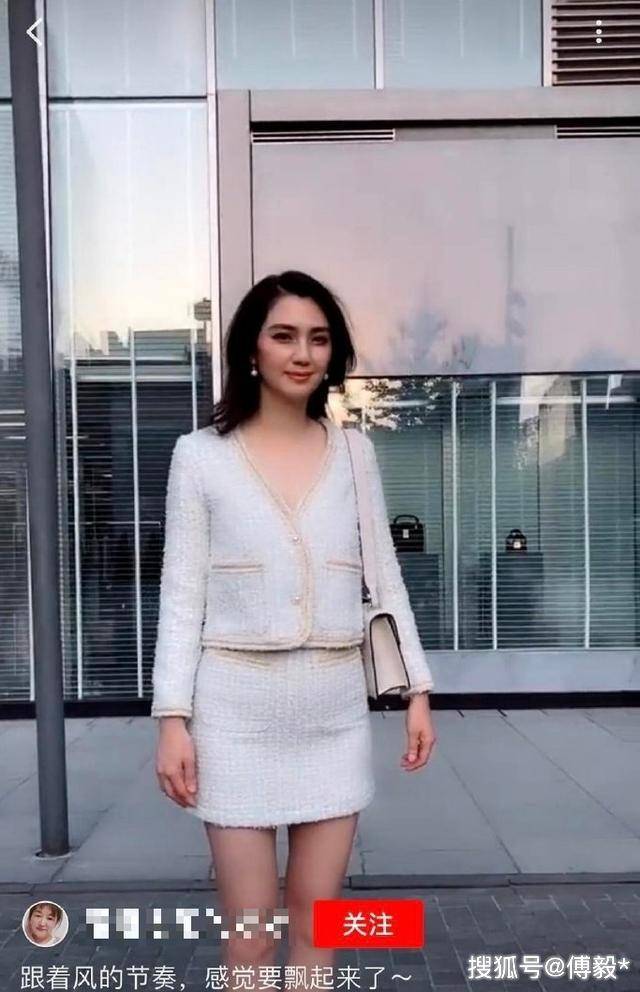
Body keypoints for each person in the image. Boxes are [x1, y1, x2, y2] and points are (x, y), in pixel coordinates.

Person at [151, 270, 436, 986]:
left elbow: (385, 579)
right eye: (283, 336)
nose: (302, 353)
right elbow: (181, 597)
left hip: (332, 716)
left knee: (318, 928)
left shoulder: (355, 453)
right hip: (234, 717)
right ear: (252, 349)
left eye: (318, 338)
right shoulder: (200, 457)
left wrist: (417, 692)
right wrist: (172, 719)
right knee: (250, 940)